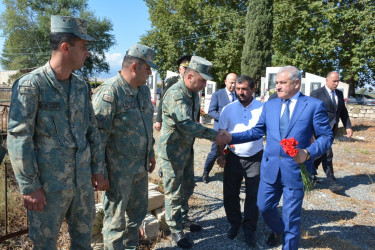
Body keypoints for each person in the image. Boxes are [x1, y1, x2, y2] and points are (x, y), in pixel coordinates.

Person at [7, 15, 107, 249]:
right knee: (45, 244)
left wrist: (98, 168)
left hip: (81, 184)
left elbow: (92, 130)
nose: (87, 53)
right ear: (65, 47)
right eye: (83, 47)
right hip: (48, 188)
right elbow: (19, 137)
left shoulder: (81, 86)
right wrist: (30, 186)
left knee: (83, 242)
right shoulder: (31, 85)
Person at [216, 66, 334, 249]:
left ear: (296, 83)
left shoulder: (313, 105)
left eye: (282, 83)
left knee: (291, 217)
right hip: (270, 169)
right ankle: (279, 229)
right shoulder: (270, 105)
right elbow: (257, 131)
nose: (277, 87)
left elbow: (326, 137)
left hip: (295, 170)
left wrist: (308, 152)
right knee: (264, 207)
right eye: (276, 83)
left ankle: (289, 243)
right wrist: (232, 137)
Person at [159, 56, 230, 248]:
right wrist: (214, 135)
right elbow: (185, 124)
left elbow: (195, 122)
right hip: (172, 150)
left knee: (188, 186)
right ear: (190, 76)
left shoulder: (193, 93)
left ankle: (182, 219)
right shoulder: (176, 94)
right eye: (202, 80)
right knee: (174, 192)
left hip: (186, 148)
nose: (204, 84)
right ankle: (175, 229)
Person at [92, 44, 157, 249]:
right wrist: (99, 172)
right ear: (135, 66)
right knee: (115, 222)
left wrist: (151, 153)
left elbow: (147, 125)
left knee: (136, 217)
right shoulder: (110, 92)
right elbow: (97, 137)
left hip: (139, 169)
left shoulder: (143, 91)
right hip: (117, 173)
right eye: (148, 68)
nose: (150, 73)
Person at [216, 75, 263, 247]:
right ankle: (234, 223)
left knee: (253, 196)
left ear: (252, 90)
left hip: (255, 159)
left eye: (244, 89)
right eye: (238, 89)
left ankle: (249, 230)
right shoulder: (228, 109)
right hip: (233, 158)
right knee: (230, 194)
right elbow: (221, 134)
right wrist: (221, 155)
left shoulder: (261, 108)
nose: (241, 92)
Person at [310, 72, 353, 191]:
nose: (336, 83)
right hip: (319, 130)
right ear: (327, 80)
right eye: (334, 81)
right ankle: (332, 182)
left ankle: (309, 173)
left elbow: (342, 112)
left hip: (332, 129)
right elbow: (309, 112)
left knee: (320, 153)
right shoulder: (317, 93)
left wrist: (348, 126)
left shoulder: (339, 93)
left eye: (338, 81)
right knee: (328, 154)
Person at [202, 72, 237, 183]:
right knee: (214, 152)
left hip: (233, 130)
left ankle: (231, 173)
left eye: (235, 83)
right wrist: (223, 118)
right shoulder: (218, 94)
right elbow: (211, 111)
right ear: (225, 82)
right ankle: (206, 172)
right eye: (231, 83)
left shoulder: (238, 95)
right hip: (220, 130)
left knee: (233, 152)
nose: (233, 85)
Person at [154, 55, 192, 131]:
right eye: (185, 68)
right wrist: (158, 120)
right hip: (172, 123)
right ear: (179, 69)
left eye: (188, 68)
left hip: (187, 122)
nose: (186, 70)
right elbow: (163, 100)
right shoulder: (172, 81)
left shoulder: (192, 84)